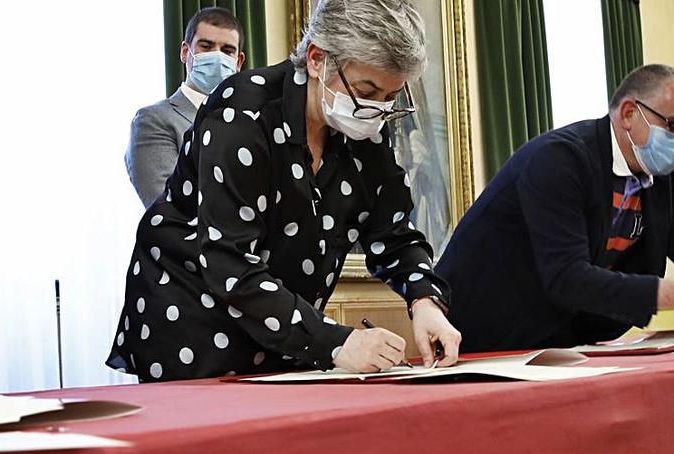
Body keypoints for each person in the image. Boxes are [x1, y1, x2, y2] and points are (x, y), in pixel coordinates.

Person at [106, 0, 462, 382]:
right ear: (316, 59)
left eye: (390, 98)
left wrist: (425, 300)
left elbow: (392, 232)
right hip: (193, 322)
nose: (376, 109)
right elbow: (231, 261)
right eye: (366, 90)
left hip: (283, 335)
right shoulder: (243, 113)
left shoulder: (365, 131)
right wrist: (337, 342)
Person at [436, 64, 674, 352]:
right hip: (484, 337)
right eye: (673, 126)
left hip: (557, 345)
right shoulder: (559, 161)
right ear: (628, 114)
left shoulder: (656, 178)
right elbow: (567, 276)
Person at [126, 7, 245, 207]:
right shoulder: (153, 121)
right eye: (206, 46)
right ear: (185, 52)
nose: (216, 57)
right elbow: (168, 209)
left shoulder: (252, 120)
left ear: (238, 62)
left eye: (227, 51)